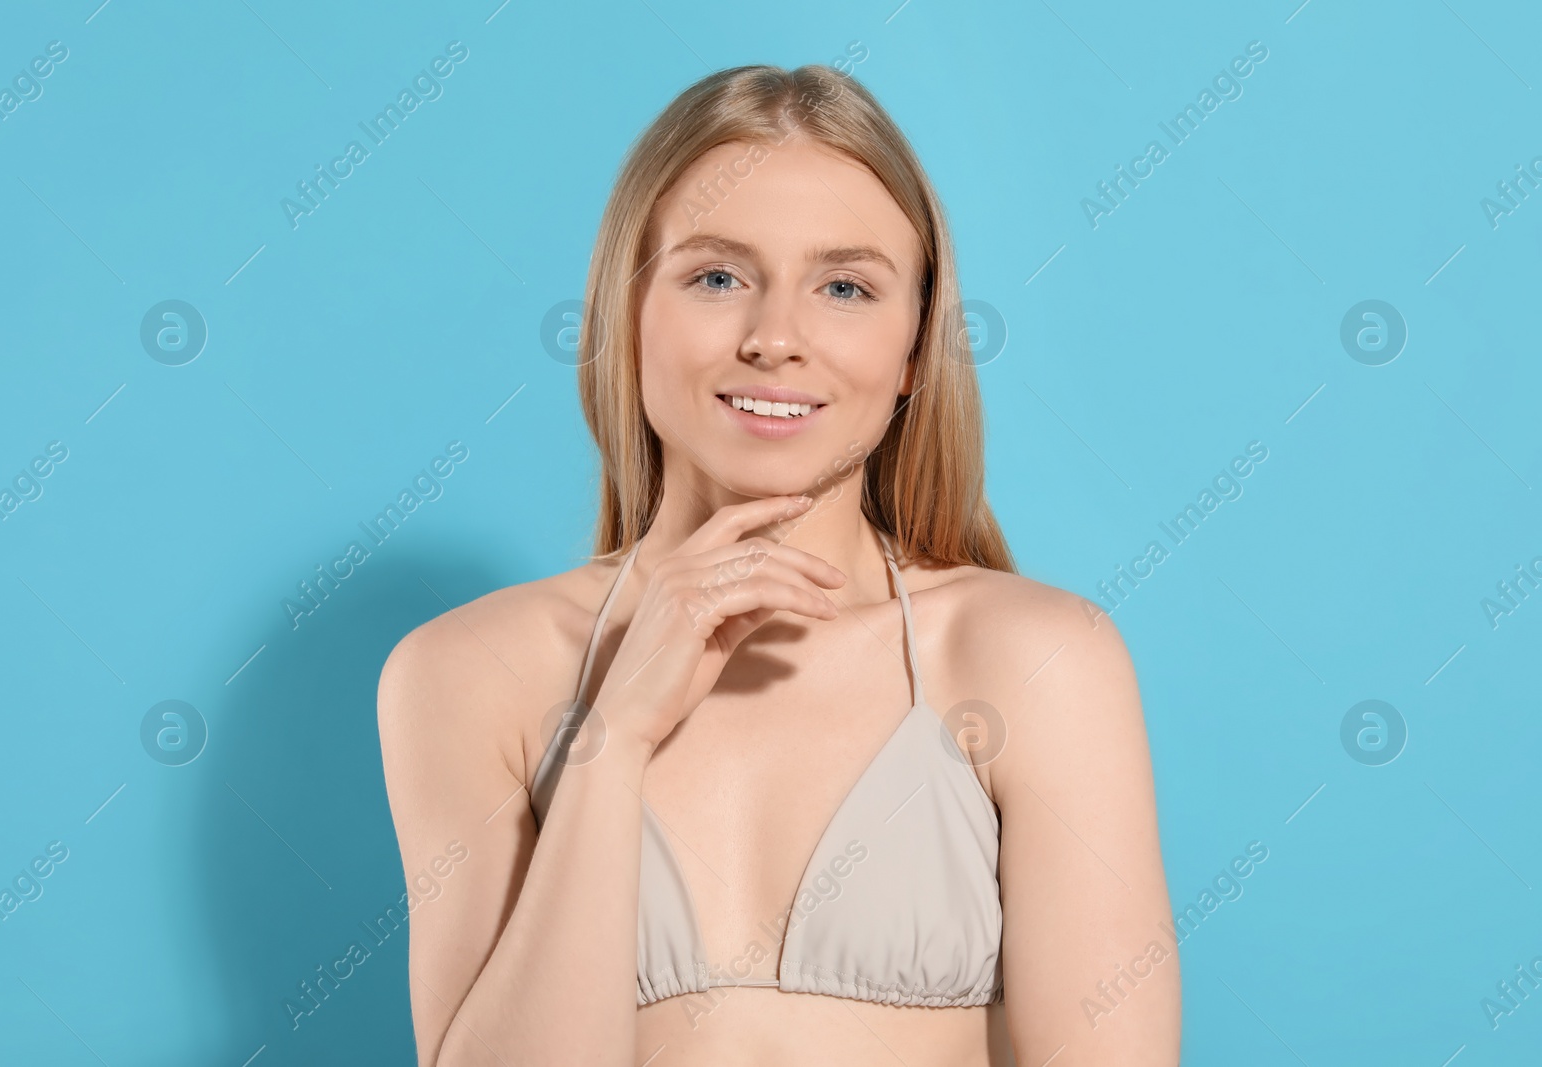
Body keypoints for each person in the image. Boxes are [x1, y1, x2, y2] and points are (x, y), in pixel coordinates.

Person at [377, 63, 1180, 1066]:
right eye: (717, 276)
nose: (774, 339)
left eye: (844, 287)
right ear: (624, 313)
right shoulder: (463, 673)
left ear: (913, 350)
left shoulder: (1035, 657)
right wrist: (614, 734)